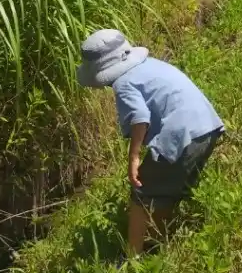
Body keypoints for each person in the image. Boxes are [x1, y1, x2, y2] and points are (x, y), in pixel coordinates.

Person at [77, 30, 224, 256]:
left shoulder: (123, 83)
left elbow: (139, 117)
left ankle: (132, 258)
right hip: (207, 126)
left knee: (142, 193)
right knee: (165, 192)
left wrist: (133, 157)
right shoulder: (150, 65)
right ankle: (156, 245)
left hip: (180, 133)